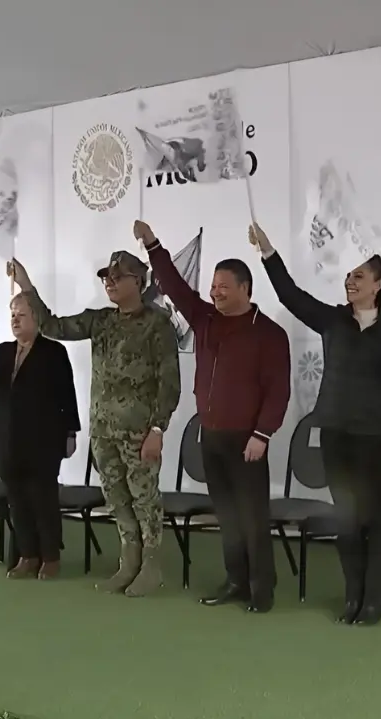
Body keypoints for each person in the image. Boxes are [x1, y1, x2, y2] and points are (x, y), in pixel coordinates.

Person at [251, 222, 381, 625]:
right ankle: (352, 597)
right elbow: (290, 296)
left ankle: (375, 601)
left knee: (376, 519)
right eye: (347, 275)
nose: (349, 281)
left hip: (375, 439)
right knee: (347, 521)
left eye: (358, 275)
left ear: (378, 284)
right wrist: (268, 251)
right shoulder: (332, 321)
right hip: (336, 435)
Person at [137, 220, 291, 615]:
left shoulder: (269, 334)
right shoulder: (205, 319)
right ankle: (236, 581)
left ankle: (262, 589)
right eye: (213, 286)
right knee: (227, 516)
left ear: (245, 289)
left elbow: (278, 391)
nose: (215, 292)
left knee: (253, 517)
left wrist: (262, 434)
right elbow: (172, 285)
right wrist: (153, 244)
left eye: (224, 286)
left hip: (248, 440)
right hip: (213, 435)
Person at [13, 252, 180, 596]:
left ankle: (151, 565)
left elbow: (169, 383)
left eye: (119, 277)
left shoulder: (157, 324)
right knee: (116, 497)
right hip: (104, 430)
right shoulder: (100, 320)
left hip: (139, 431)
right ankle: (128, 562)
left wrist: (158, 430)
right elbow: (52, 325)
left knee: (144, 498)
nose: (111, 283)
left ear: (139, 281)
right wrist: (26, 286)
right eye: (107, 277)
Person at [0, 293, 80, 579]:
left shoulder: (54, 352)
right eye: (12, 314)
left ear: (36, 318)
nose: (14, 319)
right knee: (18, 502)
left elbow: (67, 395)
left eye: (21, 315)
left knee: (43, 500)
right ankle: (27, 555)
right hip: (8, 440)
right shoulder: (1, 352)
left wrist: (70, 432)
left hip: (43, 441)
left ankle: (50, 557)